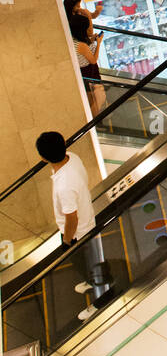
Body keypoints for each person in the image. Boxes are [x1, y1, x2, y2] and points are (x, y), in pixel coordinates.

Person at [35, 130, 110, 322]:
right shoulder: (73, 158)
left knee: (87, 264)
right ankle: (92, 282)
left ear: (43, 158)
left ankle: (100, 300)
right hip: (87, 221)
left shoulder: (64, 186)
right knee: (89, 264)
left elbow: (71, 218)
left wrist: (67, 241)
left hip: (79, 233)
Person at [69, 12, 105, 117]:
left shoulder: (73, 38)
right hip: (88, 70)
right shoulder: (82, 45)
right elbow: (93, 60)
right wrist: (98, 43)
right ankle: (95, 120)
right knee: (98, 98)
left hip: (83, 70)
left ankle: (94, 117)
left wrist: (91, 40)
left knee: (91, 97)